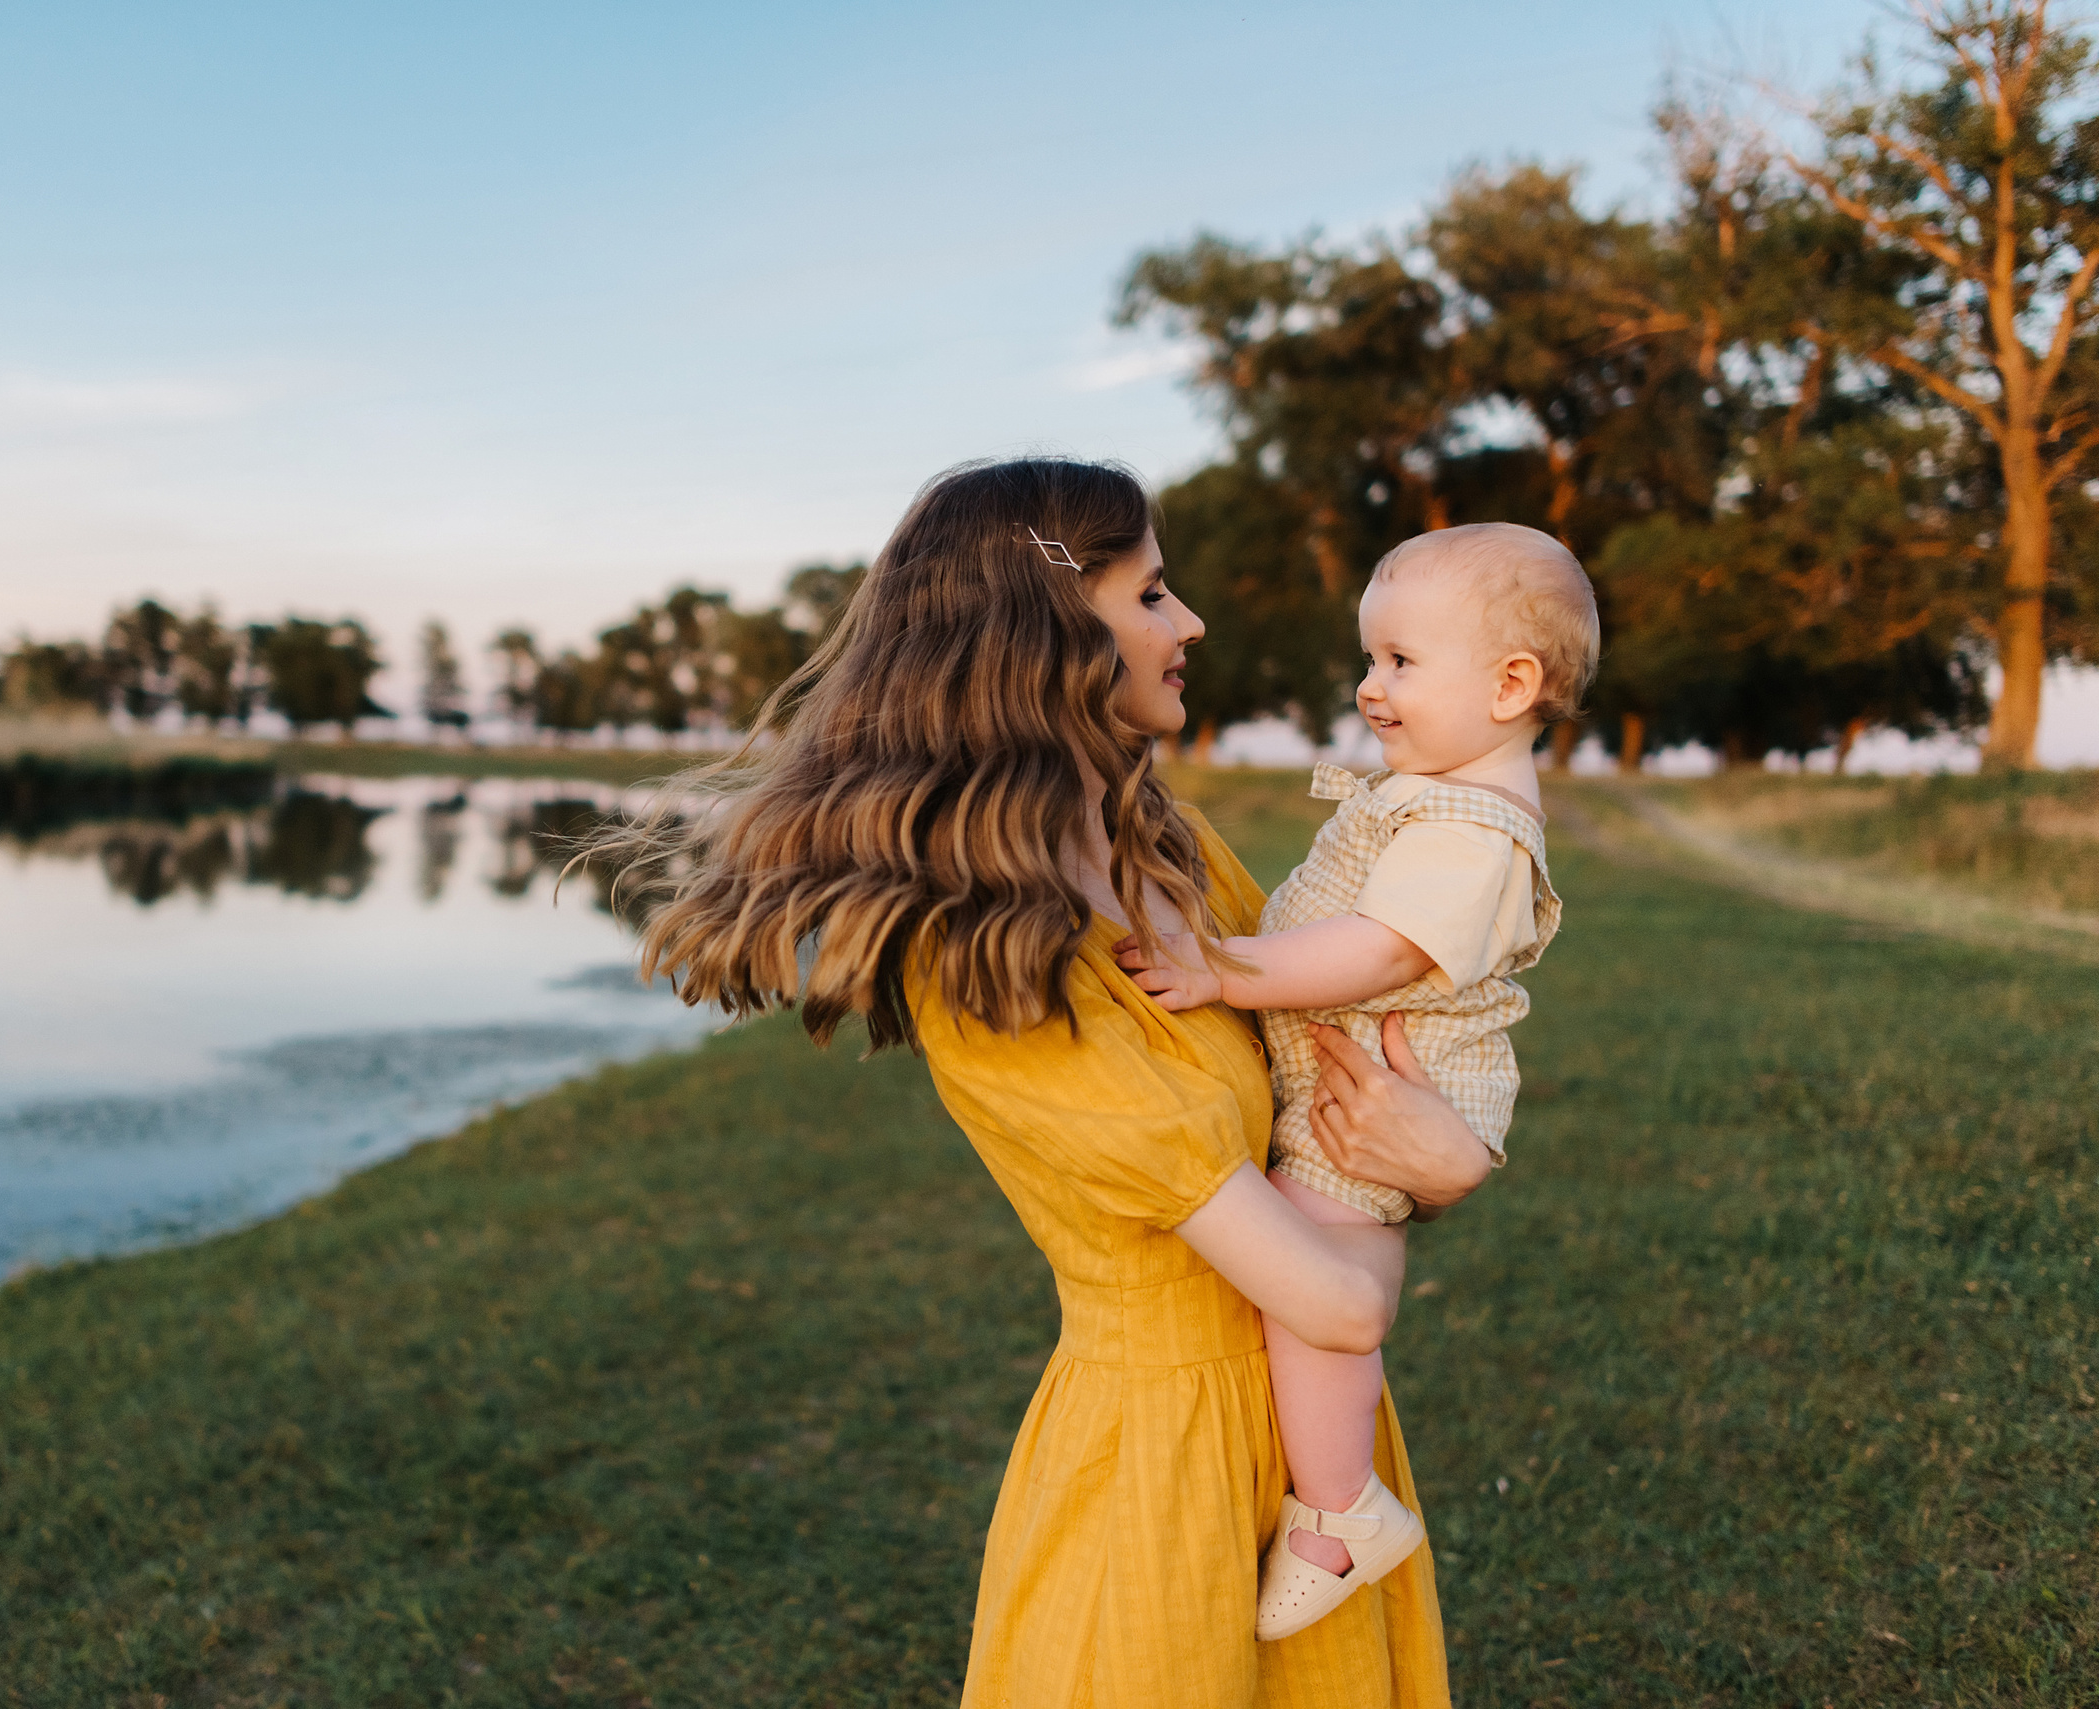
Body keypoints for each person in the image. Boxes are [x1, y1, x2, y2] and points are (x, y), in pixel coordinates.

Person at [626, 457, 1493, 1706]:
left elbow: (1349, 1080)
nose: (1189, 622)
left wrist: (1427, 1158)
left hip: (1318, 1452)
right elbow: (1341, 1295)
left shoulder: (1178, 858)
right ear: (1046, 636)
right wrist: (1433, 1172)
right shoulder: (993, 966)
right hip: (1166, 1463)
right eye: (1149, 594)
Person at [1114, 522, 1599, 1639]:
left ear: (1511, 682)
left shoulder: (1475, 829)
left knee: (1321, 1270)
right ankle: (1340, 1496)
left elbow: (1380, 951)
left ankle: (1336, 1511)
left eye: (1398, 662)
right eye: (1370, 659)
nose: (1368, 687)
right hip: (1359, 1074)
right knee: (1327, 1262)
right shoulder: (1434, 798)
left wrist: (1220, 972)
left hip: (1376, 1075)